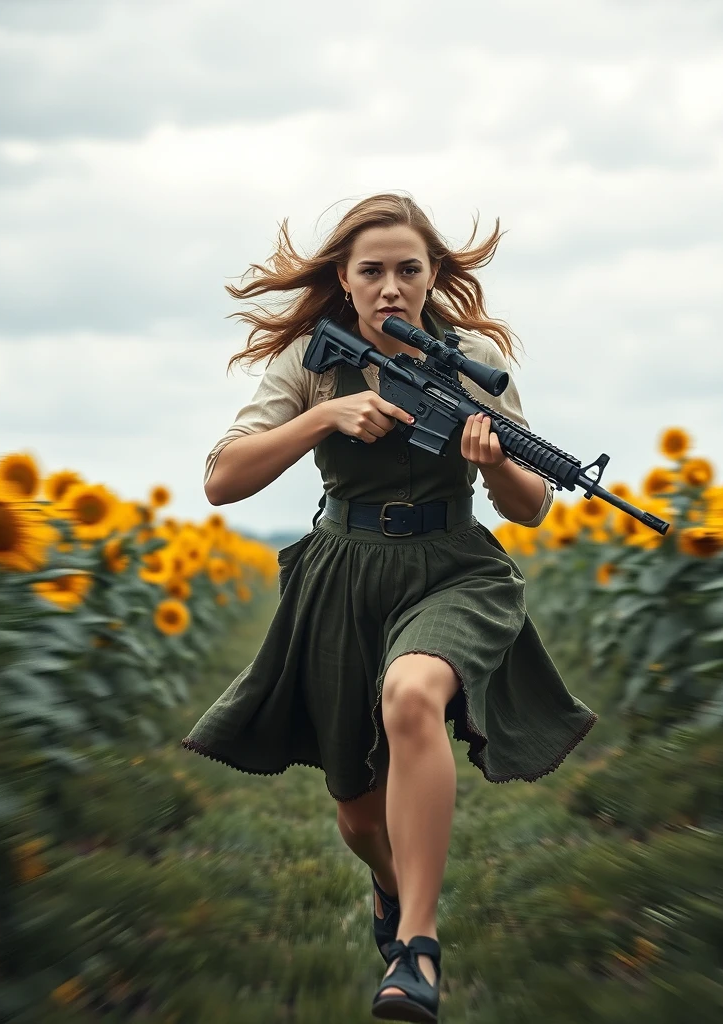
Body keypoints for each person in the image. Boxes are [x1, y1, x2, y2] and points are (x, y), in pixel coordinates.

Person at [182, 192, 598, 1021]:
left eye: (409, 269)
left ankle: (417, 948)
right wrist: (324, 416)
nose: (390, 287)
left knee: (412, 696)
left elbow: (529, 508)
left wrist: (494, 457)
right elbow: (222, 479)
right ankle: (388, 884)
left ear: (433, 275)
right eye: (371, 270)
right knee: (356, 810)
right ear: (344, 277)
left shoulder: (470, 357)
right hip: (343, 574)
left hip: (453, 565)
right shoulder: (309, 360)